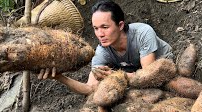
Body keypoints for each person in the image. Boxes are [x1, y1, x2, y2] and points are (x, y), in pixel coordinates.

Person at [38, 0, 174, 95]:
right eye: (96, 29)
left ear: (120, 25)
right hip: (133, 70)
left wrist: (115, 75)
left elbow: (147, 77)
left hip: (161, 66)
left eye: (105, 27)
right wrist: (60, 78)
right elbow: (90, 89)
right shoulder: (102, 52)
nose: (100, 34)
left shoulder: (143, 33)